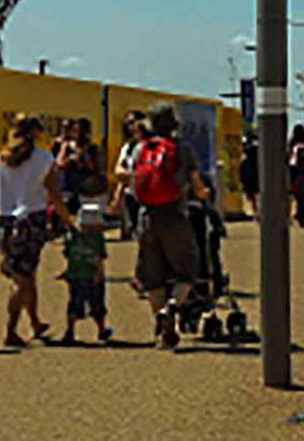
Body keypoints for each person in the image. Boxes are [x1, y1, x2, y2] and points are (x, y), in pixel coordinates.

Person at [0, 114, 70, 348]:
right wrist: (69, 221)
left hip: (7, 221)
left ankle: (35, 322)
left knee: (25, 274)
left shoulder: (1, 160)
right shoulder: (44, 158)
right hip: (33, 220)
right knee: (22, 278)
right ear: (36, 133)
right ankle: (10, 330)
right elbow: (54, 195)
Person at [111, 103, 208, 349]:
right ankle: (173, 306)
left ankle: (163, 330)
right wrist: (204, 195)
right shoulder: (183, 149)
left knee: (152, 278)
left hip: (146, 217)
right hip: (175, 215)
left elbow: (127, 178)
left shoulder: (140, 149)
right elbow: (198, 186)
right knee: (186, 273)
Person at [60, 201, 112, 345]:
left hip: (75, 275)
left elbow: (67, 254)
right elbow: (99, 258)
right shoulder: (97, 240)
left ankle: (70, 331)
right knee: (97, 304)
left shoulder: (73, 238)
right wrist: (100, 274)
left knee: (74, 304)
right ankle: (100, 329)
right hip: (92, 275)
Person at [114, 111, 147, 241]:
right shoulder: (128, 147)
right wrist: (117, 196)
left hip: (149, 196)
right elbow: (118, 170)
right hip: (132, 196)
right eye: (128, 124)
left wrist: (131, 175)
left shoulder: (152, 145)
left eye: (133, 122)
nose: (131, 127)